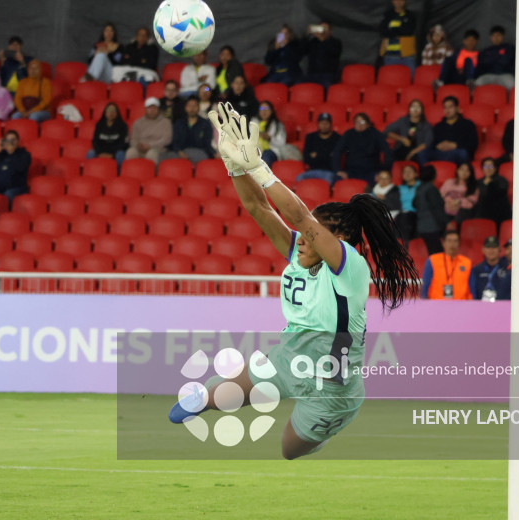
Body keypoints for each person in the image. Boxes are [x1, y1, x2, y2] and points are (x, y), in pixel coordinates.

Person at [168, 102, 419, 462]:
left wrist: (259, 167)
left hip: (331, 388)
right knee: (214, 396)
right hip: (286, 360)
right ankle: (208, 396)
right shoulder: (299, 255)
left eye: (313, 234)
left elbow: (300, 217)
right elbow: (259, 209)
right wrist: (235, 166)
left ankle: (327, 429)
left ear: (338, 239)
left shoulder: (351, 267)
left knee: (289, 450)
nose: (301, 239)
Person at [332, 112, 393, 186]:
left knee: (381, 182)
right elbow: (337, 151)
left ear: (367, 123)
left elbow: (387, 152)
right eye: (357, 122)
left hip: (371, 171)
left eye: (362, 122)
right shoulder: (348, 134)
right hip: (351, 171)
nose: (359, 124)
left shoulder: (376, 134)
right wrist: (338, 170)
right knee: (337, 180)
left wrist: (384, 171)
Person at [420, 230, 472, 300]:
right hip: (436, 303)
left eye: (455, 241)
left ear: (459, 243)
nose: (452, 244)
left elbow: (471, 288)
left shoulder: (467, 262)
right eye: (449, 241)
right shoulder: (432, 260)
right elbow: (425, 285)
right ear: (443, 243)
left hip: (461, 304)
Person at [430, 96, 479, 165]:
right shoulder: (438, 126)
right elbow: (431, 143)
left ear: (457, 108)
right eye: (445, 107)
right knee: (424, 153)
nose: (447, 110)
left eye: (450, 107)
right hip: (441, 154)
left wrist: (455, 145)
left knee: (462, 153)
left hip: (458, 153)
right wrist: (437, 146)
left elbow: (473, 144)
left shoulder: (468, 124)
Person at [383, 99, 433, 165]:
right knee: (389, 158)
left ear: (422, 111)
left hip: (417, 152)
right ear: (409, 109)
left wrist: (412, 153)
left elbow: (428, 142)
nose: (415, 109)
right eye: (413, 107)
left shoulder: (426, 125)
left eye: (418, 107)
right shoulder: (402, 121)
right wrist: (402, 139)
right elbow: (386, 131)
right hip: (401, 149)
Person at [126, 97, 173, 165]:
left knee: (151, 154)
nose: (152, 110)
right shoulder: (137, 122)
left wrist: (150, 146)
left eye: (154, 108)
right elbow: (133, 139)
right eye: (149, 108)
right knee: (131, 152)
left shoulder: (166, 122)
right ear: (145, 109)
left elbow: (167, 140)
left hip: (157, 149)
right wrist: (138, 145)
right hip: (140, 149)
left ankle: (151, 171)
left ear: (158, 109)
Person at [379, 0, 417, 72]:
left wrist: (392, 31)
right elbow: (383, 31)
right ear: (392, 1)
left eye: (401, 0)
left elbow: (408, 31)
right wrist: (399, 29)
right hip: (390, 54)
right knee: (390, 77)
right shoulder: (387, 15)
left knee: (410, 77)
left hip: (407, 55)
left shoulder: (410, 15)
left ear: (405, 1)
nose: (399, 2)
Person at [0, 130, 31, 204]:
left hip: (16, 186)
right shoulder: (1, 154)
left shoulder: (24, 154)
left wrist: (11, 153)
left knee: (8, 194)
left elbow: (20, 168)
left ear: (18, 141)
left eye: (13, 140)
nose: (10, 143)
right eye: (8, 140)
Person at [413, 165, 447, 255]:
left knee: (432, 253)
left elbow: (414, 204)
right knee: (437, 255)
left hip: (421, 226)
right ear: (434, 175)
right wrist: (445, 224)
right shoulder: (431, 189)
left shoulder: (419, 188)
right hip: (432, 226)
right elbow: (437, 209)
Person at [170, 96, 214, 164]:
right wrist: (180, 153)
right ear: (185, 108)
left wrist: (214, 154)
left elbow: (207, 144)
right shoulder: (179, 123)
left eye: (195, 106)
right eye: (189, 106)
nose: (192, 108)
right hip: (181, 152)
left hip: (199, 153)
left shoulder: (205, 124)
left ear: (198, 108)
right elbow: (175, 142)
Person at [300, 112, 341, 184]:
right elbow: (306, 159)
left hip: (329, 172)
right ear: (318, 124)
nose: (324, 126)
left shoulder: (338, 138)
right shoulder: (310, 137)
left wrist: (316, 155)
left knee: (327, 182)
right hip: (312, 171)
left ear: (331, 124)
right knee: (299, 178)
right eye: (322, 123)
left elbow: (335, 160)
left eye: (326, 123)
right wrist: (327, 154)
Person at [301, 22, 342, 89]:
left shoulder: (335, 42)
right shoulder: (313, 42)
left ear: (330, 32)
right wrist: (306, 35)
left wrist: (321, 38)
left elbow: (333, 52)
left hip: (328, 75)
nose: (323, 31)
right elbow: (302, 51)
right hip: (312, 74)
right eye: (321, 28)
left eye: (325, 28)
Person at [469, 236, 511, 301]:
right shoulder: (477, 270)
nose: (491, 250)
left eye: (494, 247)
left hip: (503, 305)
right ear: (483, 250)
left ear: (499, 249)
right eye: (488, 247)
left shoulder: (508, 268)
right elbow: (473, 293)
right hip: (481, 305)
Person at [439, 161, 478, 227]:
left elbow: (471, 203)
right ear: (457, 170)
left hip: (461, 211)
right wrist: (449, 200)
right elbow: (440, 195)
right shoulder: (449, 182)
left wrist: (459, 201)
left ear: (470, 173)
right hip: (446, 208)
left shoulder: (473, 186)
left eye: (467, 170)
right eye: (462, 169)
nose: (464, 172)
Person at [476, 158, 512, 225]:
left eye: (491, 166)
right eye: (485, 166)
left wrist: (489, 185)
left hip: (499, 213)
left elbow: (500, 194)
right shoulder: (478, 182)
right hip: (483, 212)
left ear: (495, 168)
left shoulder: (502, 180)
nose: (488, 169)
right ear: (482, 169)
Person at [250, 100, 288, 165]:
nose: (264, 111)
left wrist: (269, 138)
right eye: (261, 109)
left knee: (266, 156)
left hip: (271, 150)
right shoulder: (253, 123)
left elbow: (282, 143)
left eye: (267, 109)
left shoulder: (278, 125)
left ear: (272, 111)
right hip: (254, 149)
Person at [395, 164, 420, 247]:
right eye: (405, 172)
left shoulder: (421, 186)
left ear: (416, 174)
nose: (407, 174)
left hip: (416, 213)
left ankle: (405, 245)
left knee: (404, 219)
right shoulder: (399, 188)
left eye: (410, 171)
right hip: (401, 214)